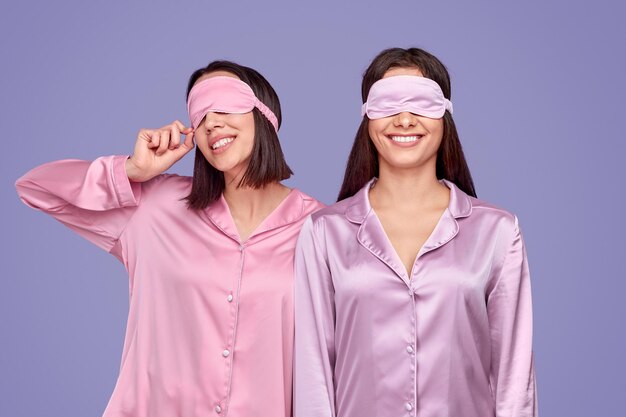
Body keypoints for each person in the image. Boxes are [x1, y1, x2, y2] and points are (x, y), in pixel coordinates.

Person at [16, 60, 323, 417]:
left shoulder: (319, 230)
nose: (212, 123)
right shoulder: (155, 207)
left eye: (224, 106)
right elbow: (37, 188)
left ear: (265, 115)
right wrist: (131, 170)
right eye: (201, 114)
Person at [294, 47, 537, 417]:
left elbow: (514, 376)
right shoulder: (324, 233)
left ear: (444, 115)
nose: (404, 119)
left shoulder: (497, 231)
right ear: (367, 118)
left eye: (420, 104)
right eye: (388, 105)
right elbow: (313, 373)